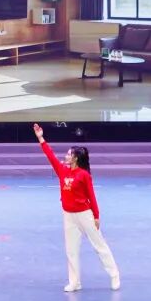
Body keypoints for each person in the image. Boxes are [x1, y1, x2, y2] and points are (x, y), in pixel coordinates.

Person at [33, 123, 120, 292]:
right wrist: (41, 138)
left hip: (84, 215)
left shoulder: (84, 175)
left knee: (99, 245)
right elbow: (50, 155)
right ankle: (75, 282)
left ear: (76, 158)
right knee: (71, 250)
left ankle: (114, 274)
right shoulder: (62, 170)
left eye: (69, 154)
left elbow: (92, 196)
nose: (66, 156)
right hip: (68, 216)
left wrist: (96, 216)